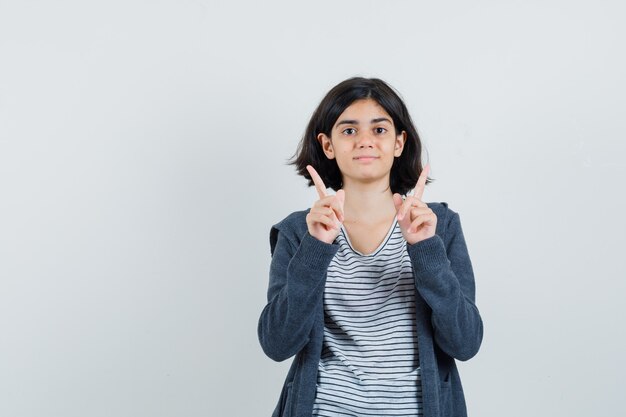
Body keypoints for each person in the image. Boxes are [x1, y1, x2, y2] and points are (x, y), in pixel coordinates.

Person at [258, 77, 483, 417]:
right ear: (327, 145)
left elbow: (465, 343)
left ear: (399, 142)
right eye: (349, 131)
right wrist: (316, 247)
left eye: (379, 130)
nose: (365, 140)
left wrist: (426, 251)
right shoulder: (299, 231)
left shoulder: (438, 225)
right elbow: (277, 344)